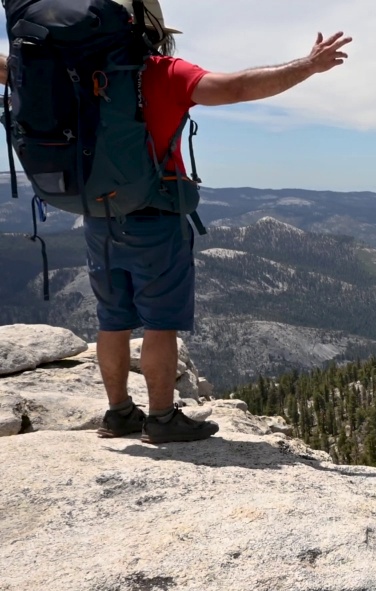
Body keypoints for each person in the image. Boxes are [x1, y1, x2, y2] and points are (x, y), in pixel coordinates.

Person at [0, 0, 352, 443]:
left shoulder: (59, 71)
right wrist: (308, 66)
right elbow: (238, 87)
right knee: (160, 322)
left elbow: (8, 69)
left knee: (112, 320)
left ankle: (119, 414)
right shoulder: (162, 73)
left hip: (95, 213)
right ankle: (163, 418)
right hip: (154, 214)